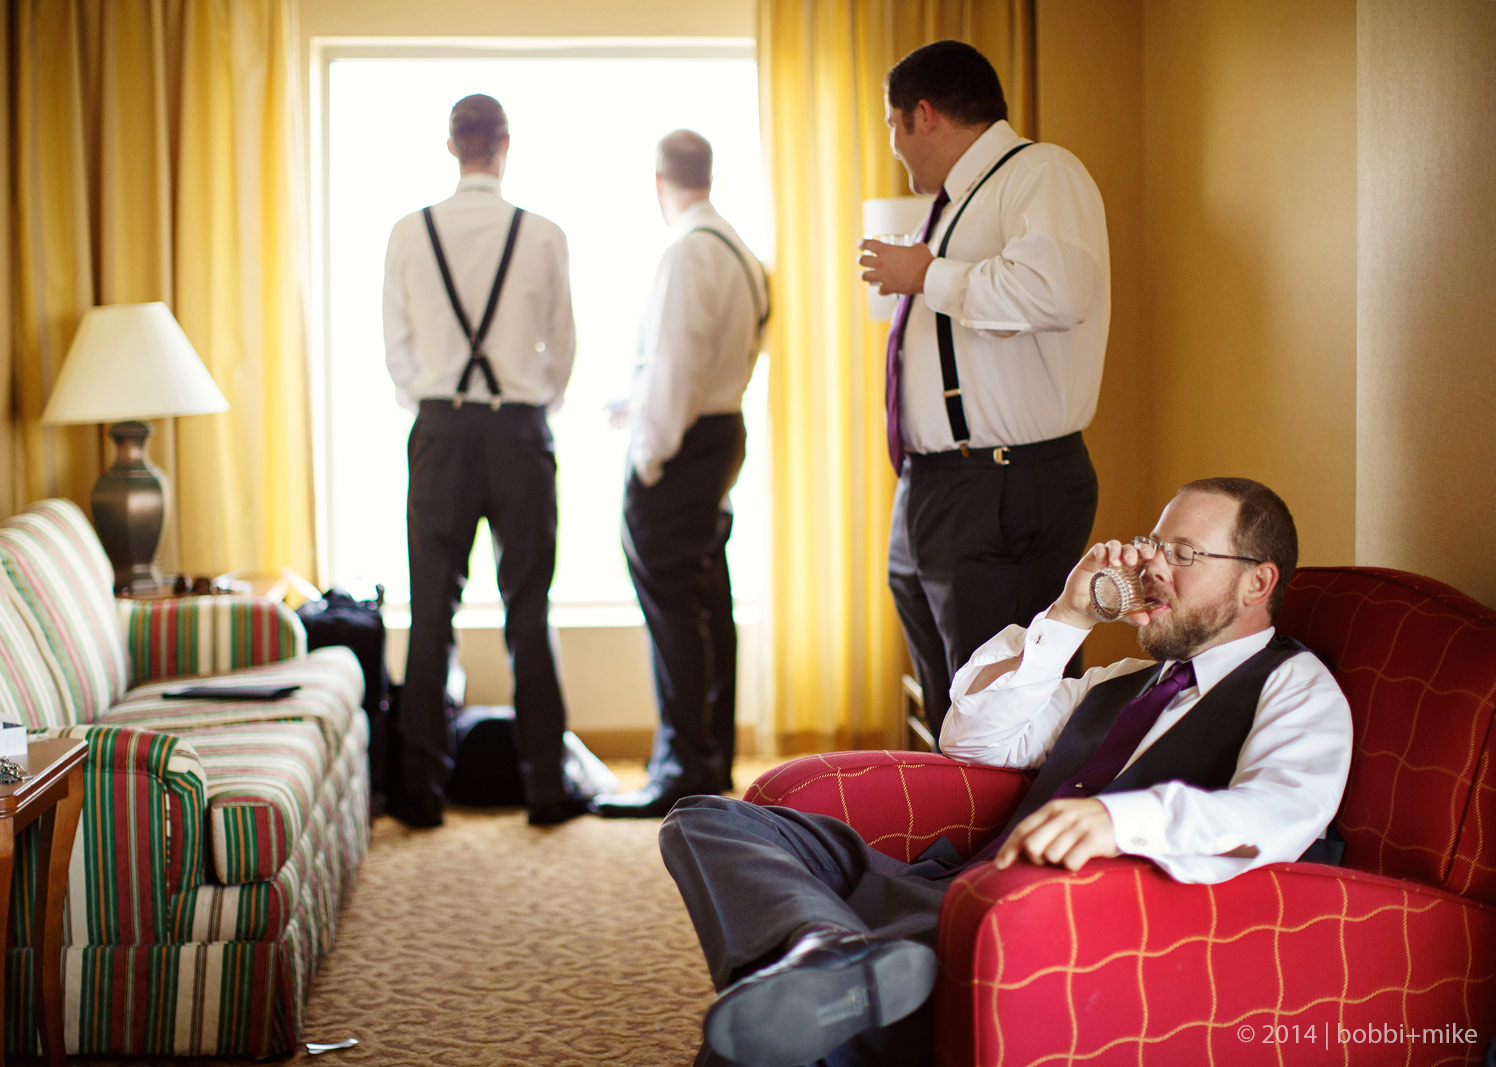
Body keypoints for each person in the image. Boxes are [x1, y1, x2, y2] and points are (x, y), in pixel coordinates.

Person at [660, 477, 1353, 1066]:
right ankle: (830, 953)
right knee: (706, 819)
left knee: (756, 1043)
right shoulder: (1123, 680)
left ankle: (830, 976)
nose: (1153, 567)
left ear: (1257, 580)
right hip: (939, 892)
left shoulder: (1295, 686)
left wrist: (1118, 819)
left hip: (1034, 932)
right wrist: (1069, 614)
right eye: (1154, 545)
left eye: (1184, 553)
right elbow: (974, 742)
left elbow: (1280, 811)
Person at [858, 41, 1111, 743]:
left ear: (923, 115)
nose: (894, 146)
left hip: (1000, 484)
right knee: (952, 696)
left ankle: (1012, 816)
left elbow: (1055, 291)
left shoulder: (1041, 173)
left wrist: (926, 275)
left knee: (1001, 704)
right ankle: (955, 811)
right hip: (939, 483)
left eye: (892, 124)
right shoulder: (950, 205)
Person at [380, 93, 589, 828]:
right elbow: (563, 349)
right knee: (529, 609)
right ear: (505, 145)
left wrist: (438, 404)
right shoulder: (545, 233)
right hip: (520, 434)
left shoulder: (409, 232)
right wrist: (530, 406)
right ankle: (547, 787)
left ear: (451, 147)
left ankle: (420, 791)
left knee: (430, 610)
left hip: (440, 432)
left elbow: (397, 350)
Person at [593, 130, 770, 820]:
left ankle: (681, 768)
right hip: (723, 434)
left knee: (673, 607)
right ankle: (709, 754)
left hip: (685, 444)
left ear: (659, 182)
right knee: (706, 598)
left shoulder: (687, 253)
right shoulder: (740, 252)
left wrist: (649, 458)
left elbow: (675, 368)